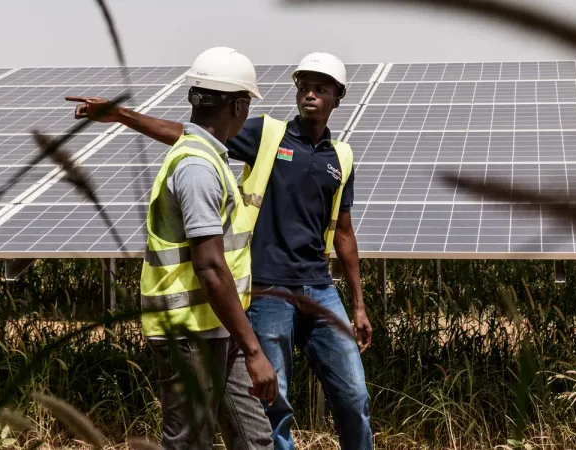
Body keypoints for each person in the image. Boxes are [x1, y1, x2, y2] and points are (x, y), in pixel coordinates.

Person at [67, 52, 373, 450]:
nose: (309, 95)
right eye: (304, 86)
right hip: (260, 293)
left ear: (338, 97)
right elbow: (185, 132)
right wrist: (124, 116)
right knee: (267, 408)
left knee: (350, 398)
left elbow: (344, 232)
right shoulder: (263, 136)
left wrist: (359, 303)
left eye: (320, 88)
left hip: (309, 289)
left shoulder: (343, 158)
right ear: (240, 106)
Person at [71, 47, 277, 450]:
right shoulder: (198, 168)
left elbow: (179, 131)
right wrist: (254, 350)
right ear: (236, 105)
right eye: (247, 103)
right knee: (190, 442)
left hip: (219, 324)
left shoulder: (200, 151)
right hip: (190, 331)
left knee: (255, 439)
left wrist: (122, 115)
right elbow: (211, 268)